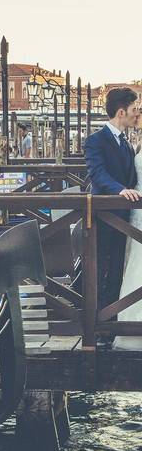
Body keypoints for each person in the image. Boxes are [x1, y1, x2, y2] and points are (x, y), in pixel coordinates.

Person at [84, 87, 140, 321]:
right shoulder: (95, 141)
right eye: (133, 110)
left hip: (125, 218)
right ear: (120, 112)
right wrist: (120, 190)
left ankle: (112, 318)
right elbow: (97, 173)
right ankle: (97, 323)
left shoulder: (127, 144)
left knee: (118, 268)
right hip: (104, 216)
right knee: (100, 269)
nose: (136, 114)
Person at [115, 103, 142, 350]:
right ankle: (130, 320)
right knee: (136, 260)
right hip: (137, 213)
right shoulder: (134, 144)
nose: (138, 115)